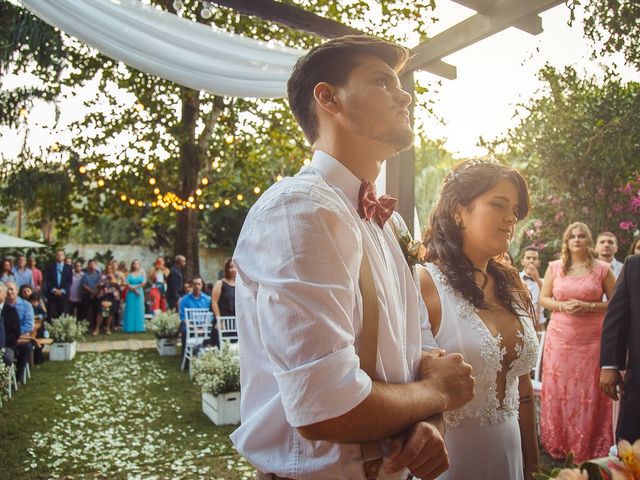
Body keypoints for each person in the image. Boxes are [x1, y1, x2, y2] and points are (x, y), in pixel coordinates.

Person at [232, 36, 475, 480]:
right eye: (383, 81)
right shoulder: (299, 209)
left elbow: (420, 352)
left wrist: (427, 420)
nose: (404, 95)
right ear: (328, 97)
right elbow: (324, 406)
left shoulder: (392, 224)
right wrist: (438, 395)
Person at [417, 158, 539, 480]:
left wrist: (533, 465)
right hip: (452, 462)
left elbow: (522, 385)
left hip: (510, 455)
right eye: (498, 205)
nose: (511, 218)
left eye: (515, 209)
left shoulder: (514, 289)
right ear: (459, 210)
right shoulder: (425, 284)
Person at [539, 222, 617, 462]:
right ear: (566, 241)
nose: (577, 239)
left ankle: (589, 444)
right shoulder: (555, 268)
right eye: (572, 236)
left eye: (582, 235)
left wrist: (589, 306)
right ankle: (558, 443)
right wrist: (562, 305)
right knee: (560, 391)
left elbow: (616, 304)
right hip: (559, 340)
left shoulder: (603, 269)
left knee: (588, 392)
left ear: (588, 240)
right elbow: (544, 299)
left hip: (592, 341)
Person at [600, 254, 640, 443]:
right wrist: (610, 365)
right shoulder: (634, 265)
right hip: (638, 380)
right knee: (628, 445)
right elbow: (617, 317)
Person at [5, 280, 34, 382]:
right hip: (6, 339)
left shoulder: (26, 306)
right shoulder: (2, 306)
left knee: (26, 348)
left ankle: (18, 378)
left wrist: (14, 332)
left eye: (11, 289)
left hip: (21, 338)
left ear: (17, 291)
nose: (9, 292)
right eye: (7, 289)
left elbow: (29, 325)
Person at [178, 276, 213, 358]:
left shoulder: (208, 299)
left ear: (202, 285)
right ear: (191, 286)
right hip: (190, 325)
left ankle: (209, 356)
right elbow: (183, 318)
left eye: (199, 284)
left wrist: (203, 328)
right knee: (184, 331)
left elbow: (210, 316)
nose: (197, 286)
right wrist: (195, 329)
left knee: (215, 331)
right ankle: (186, 357)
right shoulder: (184, 300)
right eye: (194, 284)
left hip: (204, 325)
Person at [43, 250, 72, 321]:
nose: (59, 256)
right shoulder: (50, 267)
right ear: (55, 256)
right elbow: (47, 280)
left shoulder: (68, 267)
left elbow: (69, 281)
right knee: (51, 314)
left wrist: (62, 290)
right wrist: (54, 290)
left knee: (63, 314)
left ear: (64, 256)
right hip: (52, 294)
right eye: (57, 255)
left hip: (63, 295)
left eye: (61, 255)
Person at [520, 246, 545, 325]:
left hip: (539, 323)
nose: (531, 261)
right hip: (519, 323)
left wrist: (538, 280)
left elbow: (548, 302)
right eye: (528, 258)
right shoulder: (515, 278)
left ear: (538, 263)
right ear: (522, 261)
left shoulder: (544, 282)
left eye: (534, 258)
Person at [93, 264, 121, 336]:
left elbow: (119, 286)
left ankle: (108, 328)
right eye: (107, 268)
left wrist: (113, 282)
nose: (109, 270)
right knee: (100, 313)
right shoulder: (102, 276)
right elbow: (97, 285)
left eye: (110, 268)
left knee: (110, 313)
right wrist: (104, 283)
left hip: (112, 296)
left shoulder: (116, 276)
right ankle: (97, 328)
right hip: (103, 295)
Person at [122, 260, 146, 333]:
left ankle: (139, 328)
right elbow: (127, 283)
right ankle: (129, 328)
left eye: (137, 264)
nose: (135, 265)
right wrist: (133, 289)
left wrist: (135, 288)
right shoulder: (129, 274)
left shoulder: (141, 274)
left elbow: (143, 283)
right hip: (131, 294)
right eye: (134, 264)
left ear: (139, 265)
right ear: (132, 265)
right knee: (130, 309)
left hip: (139, 293)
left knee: (139, 309)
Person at [0, 282, 20, 367]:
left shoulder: (11, 311)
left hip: (7, 346)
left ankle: (6, 380)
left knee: (7, 358)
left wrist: (3, 346)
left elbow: (15, 333)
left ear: (4, 294)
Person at [80, 259, 101, 331]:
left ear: (96, 265)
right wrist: (92, 292)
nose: (92, 266)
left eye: (93, 264)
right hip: (87, 295)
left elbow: (99, 285)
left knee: (96, 312)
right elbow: (84, 285)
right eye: (90, 264)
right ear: (88, 265)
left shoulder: (98, 275)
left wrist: (95, 293)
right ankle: (83, 327)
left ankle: (95, 327)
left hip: (96, 296)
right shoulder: (84, 275)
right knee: (84, 311)